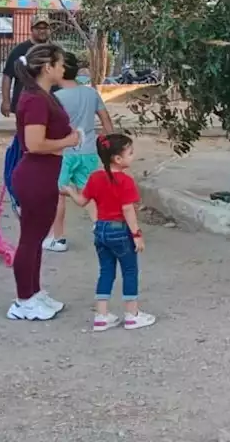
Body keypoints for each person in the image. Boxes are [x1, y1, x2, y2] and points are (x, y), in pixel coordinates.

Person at [7, 43, 80, 322]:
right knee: (29, 239)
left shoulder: (44, 96)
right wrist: (69, 141)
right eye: (60, 63)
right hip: (35, 174)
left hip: (47, 172)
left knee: (37, 239)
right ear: (47, 67)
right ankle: (23, 300)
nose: (63, 68)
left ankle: (34, 291)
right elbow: (34, 143)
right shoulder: (35, 99)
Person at [66, 133, 155, 331]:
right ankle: (132, 315)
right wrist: (137, 234)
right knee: (129, 271)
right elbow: (127, 209)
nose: (133, 156)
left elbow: (82, 201)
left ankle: (101, 315)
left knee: (106, 271)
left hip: (100, 230)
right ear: (118, 159)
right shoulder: (125, 181)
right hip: (120, 231)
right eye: (130, 153)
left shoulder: (95, 177)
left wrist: (70, 191)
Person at [43, 53, 114, 253]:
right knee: (89, 191)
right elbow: (105, 119)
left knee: (58, 194)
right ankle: (102, 229)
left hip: (63, 151)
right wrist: (112, 144)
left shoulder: (55, 98)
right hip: (88, 150)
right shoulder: (91, 93)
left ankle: (58, 238)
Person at [0, 18, 51, 213]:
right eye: (39, 28)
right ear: (31, 30)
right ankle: (23, 181)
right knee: (26, 143)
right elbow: (7, 76)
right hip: (25, 104)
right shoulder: (20, 50)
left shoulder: (52, 52)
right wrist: (5, 100)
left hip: (48, 103)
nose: (42, 31)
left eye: (45, 28)